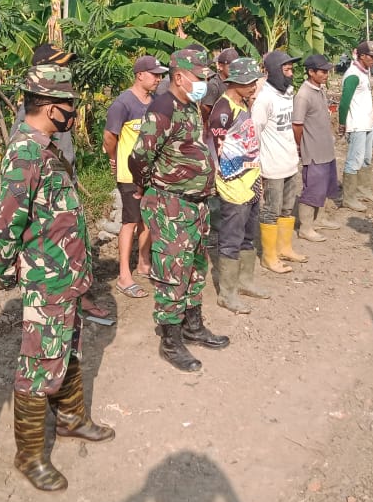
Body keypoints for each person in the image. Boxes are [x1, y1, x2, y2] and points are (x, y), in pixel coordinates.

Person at [0, 65, 114, 493]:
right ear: (53, 108)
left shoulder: (45, 146)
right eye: (71, 105)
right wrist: (4, 270)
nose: (74, 112)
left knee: (68, 349)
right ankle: (30, 456)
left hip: (67, 273)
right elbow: (6, 223)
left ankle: (73, 419)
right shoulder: (25, 152)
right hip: (46, 278)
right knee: (39, 365)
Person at [129, 47, 230, 373]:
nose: (203, 82)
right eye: (199, 77)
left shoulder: (188, 106)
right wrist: (146, 187)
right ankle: (170, 341)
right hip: (171, 204)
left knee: (196, 266)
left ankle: (193, 325)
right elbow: (139, 157)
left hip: (196, 204)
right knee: (173, 272)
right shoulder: (162, 108)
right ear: (178, 77)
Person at [208, 57, 275, 313]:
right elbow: (218, 151)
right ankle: (228, 292)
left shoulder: (243, 104)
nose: (252, 87)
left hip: (251, 181)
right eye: (247, 83)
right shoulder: (222, 111)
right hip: (233, 185)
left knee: (249, 236)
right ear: (233, 81)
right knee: (231, 239)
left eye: (253, 82)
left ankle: (246, 281)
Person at [103, 55, 169, 299]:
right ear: (140, 75)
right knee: (130, 221)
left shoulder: (156, 101)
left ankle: (143, 263)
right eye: (154, 75)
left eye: (160, 75)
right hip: (130, 173)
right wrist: (115, 159)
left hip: (151, 172)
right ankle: (123, 275)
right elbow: (110, 137)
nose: (158, 79)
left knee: (148, 218)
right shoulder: (123, 104)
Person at [252, 51, 307, 269]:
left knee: (287, 208)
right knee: (271, 211)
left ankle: (285, 249)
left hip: (289, 162)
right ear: (275, 71)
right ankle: (269, 256)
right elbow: (255, 131)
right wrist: (258, 164)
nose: (291, 74)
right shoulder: (264, 99)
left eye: (291, 69)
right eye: (287, 70)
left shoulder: (287, 94)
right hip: (272, 165)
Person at [292, 54, 341, 242]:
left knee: (325, 187)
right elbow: (297, 124)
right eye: (322, 71)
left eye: (327, 71)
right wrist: (300, 145)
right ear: (311, 72)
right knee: (312, 189)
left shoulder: (319, 90)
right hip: (313, 151)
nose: (326, 74)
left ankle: (320, 219)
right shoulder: (303, 95)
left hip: (325, 149)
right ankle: (305, 227)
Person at [338, 40, 373, 212]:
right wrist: (343, 124)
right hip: (356, 124)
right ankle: (349, 198)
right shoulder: (352, 75)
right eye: (372, 57)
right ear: (362, 56)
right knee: (354, 161)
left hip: (366, 123)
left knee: (366, 158)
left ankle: (363, 190)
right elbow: (344, 103)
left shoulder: (364, 72)